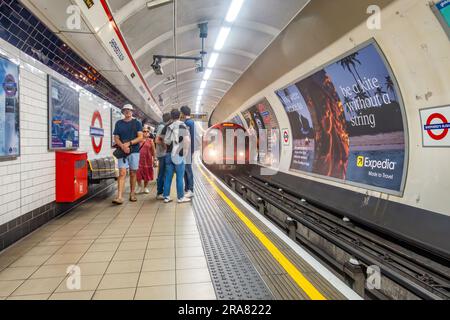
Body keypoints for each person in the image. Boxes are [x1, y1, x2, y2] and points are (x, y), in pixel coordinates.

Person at [112, 104, 143, 204]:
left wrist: (129, 144)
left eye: (129, 110)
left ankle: (132, 193)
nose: (127, 111)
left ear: (132, 112)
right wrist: (122, 146)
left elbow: (140, 137)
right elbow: (116, 137)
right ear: (123, 112)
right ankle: (119, 196)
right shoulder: (118, 123)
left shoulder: (137, 123)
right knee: (122, 173)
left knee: (133, 173)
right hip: (122, 152)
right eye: (125, 110)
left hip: (134, 151)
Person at [162, 109, 191, 204]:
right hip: (178, 153)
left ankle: (166, 197)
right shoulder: (182, 125)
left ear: (171, 117)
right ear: (180, 116)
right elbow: (186, 140)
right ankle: (180, 197)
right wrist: (185, 152)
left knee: (168, 177)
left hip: (168, 154)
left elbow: (165, 141)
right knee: (179, 176)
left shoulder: (168, 126)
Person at [155, 113, 172, 200]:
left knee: (164, 173)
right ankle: (160, 192)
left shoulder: (163, 126)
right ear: (170, 120)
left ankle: (162, 192)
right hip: (162, 154)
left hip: (163, 154)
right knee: (162, 173)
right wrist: (165, 146)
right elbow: (157, 140)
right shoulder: (162, 127)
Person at [180, 106, 195, 198]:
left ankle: (190, 189)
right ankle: (187, 188)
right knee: (186, 170)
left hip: (187, 150)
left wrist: (190, 151)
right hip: (188, 150)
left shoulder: (188, 123)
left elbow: (190, 138)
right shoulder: (189, 122)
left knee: (188, 170)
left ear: (182, 113)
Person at [137, 125, 156, 194]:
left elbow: (153, 151)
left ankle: (145, 187)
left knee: (147, 173)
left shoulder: (151, 141)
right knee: (138, 173)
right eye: (144, 131)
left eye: (147, 131)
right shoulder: (138, 140)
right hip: (138, 159)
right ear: (141, 132)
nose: (146, 132)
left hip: (147, 160)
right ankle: (139, 186)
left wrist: (154, 159)